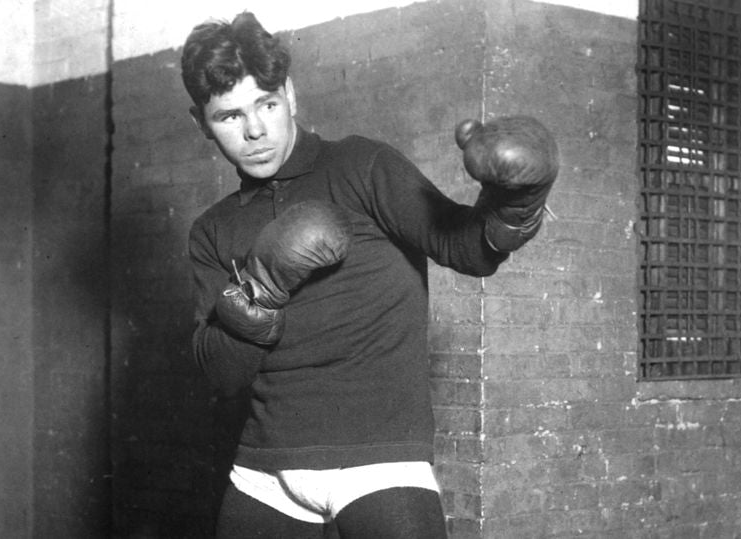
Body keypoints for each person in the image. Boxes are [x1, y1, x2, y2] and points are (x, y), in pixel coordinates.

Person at [181, 11, 557, 539]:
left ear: (289, 93)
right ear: (202, 123)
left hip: (379, 460)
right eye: (229, 117)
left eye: (266, 104)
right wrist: (260, 290)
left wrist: (516, 204)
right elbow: (219, 374)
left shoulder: (363, 166)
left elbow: (464, 246)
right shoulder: (213, 229)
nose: (255, 130)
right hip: (266, 469)